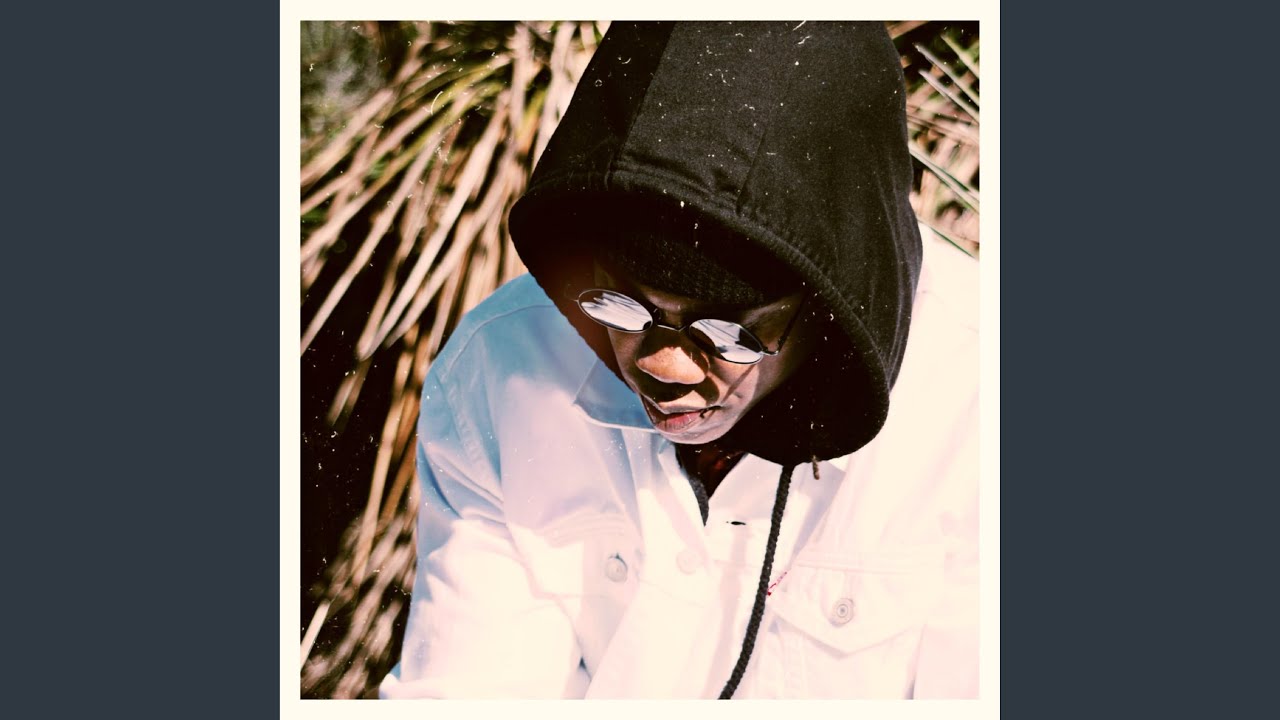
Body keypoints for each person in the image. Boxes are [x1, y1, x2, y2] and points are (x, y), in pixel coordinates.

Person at [379, 21, 979, 699]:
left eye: (727, 331)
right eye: (623, 304)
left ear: (832, 301)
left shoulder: (980, 396)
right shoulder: (501, 365)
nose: (666, 368)